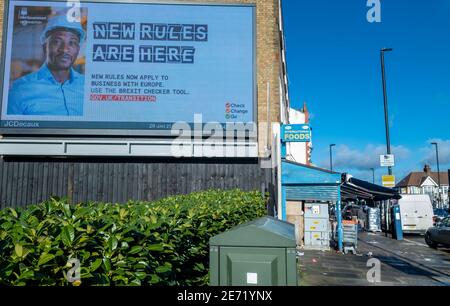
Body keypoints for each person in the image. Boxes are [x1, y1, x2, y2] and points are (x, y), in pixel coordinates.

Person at [7, 15, 86, 116]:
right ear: (45, 47)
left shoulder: (88, 86)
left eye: (72, 42)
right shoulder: (20, 89)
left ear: (78, 50)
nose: (65, 49)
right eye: (57, 42)